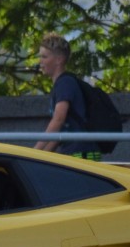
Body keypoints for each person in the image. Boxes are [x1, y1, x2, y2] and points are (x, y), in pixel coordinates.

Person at [33, 33, 103, 161]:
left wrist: (33, 152)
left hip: (81, 153)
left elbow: (58, 120)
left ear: (59, 59)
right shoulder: (62, 83)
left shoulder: (65, 83)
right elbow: (60, 132)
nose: (40, 61)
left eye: (44, 56)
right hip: (76, 151)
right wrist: (40, 157)